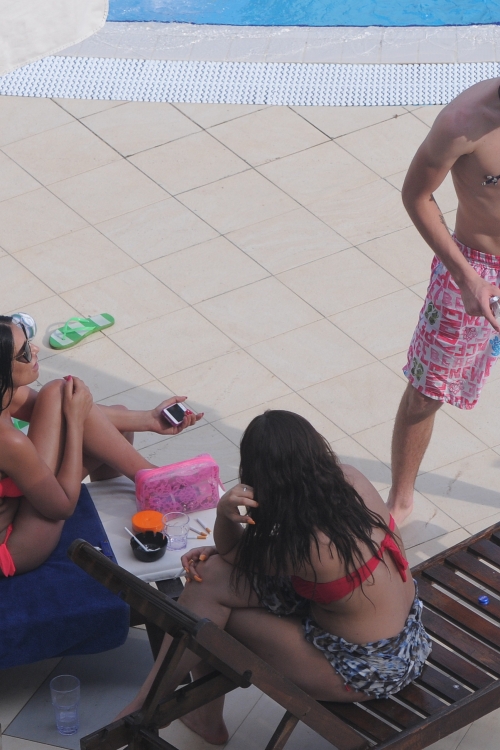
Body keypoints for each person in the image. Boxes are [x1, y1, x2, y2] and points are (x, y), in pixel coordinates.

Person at [118, 410, 431, 745]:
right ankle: (183, 710)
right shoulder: (350, 478)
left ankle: (149, 706)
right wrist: (225, 551)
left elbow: (233, 551)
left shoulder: (309, 548)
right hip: (397, 633)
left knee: (207, 618)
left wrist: (225, 513)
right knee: (210, 576)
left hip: (366, 667)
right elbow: (245, 556)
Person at [0, 315, 203, 577]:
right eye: (25, 353)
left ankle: (150, 479)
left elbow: (64, 408)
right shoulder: (8, 441)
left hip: (19, 502)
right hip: (15, 546)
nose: (35, 349)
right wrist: (74, 424)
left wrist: (150, 419)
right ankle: (153, 480)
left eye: (29, 341)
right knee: (67, 400)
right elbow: (62, 507)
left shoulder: (6, 393)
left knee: (73, 401)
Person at [388, 78, 500, 526]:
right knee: (426, 391)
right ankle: (400, 501)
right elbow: (415, 195)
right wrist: (465, 277)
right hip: (475, 266)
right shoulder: (464, 122)